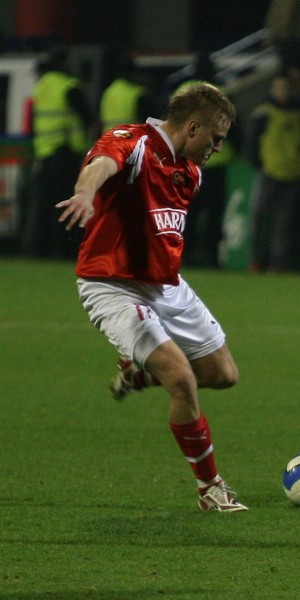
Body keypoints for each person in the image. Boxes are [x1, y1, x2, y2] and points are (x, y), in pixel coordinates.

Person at [55, 82, 247, 512]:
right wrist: (85, 193)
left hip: (166, 285)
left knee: (223, 374)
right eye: (215, 138)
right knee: (180, 378)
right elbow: (103, 164)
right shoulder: (133, 142)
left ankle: (138, 375)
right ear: (192, 127)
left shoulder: (190, 172)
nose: (217, 148)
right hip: (113, 285)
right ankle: (210, 488)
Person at [22, 45, 93, 259]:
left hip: (44, 153)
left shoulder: (41, 86)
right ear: (63, 63)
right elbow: (88, 117)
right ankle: (63, 250)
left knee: (44, 205)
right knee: (67, 204)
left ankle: (39, 250)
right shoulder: (68, 86)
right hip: (65, 154)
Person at [174, 54, 241, 268]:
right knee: (213, 213)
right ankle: (211, 257)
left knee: (188, 212)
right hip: (215, 164)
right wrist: (237, 148)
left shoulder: (183, 91)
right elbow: (234, 128)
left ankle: (184, 255)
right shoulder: (222, 93)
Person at [247, 71, 300, 272]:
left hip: (293, 174)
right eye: (279, 88)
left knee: (283, 224)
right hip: (269, 173)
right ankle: (257, 260)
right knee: (261, 219)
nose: (282, 92)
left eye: (285, 88)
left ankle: (279, 262)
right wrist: (260, 165)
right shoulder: (264, 113)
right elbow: (252, 143)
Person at [98, 51, 158, 135]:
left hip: (109, 140)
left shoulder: (108, 92)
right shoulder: (137, 93)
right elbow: (149, 121)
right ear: (133, 72)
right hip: (130, 139)